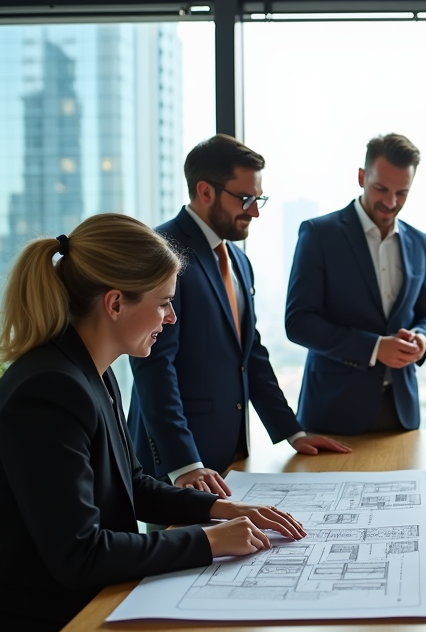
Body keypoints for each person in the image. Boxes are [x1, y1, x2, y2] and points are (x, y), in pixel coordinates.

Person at [0, 215, 305, 632]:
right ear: (115, 304)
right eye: (164, 303)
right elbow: (81, 553)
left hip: (72, 609)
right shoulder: (47, 392)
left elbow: (130, 483)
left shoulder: (92, 371)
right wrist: (211, 541)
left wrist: (220, 509)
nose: (172, 318)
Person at [128, 136, 349, 500]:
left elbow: (250, 356)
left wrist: (293, 432)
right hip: (178, 467)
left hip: (229, 457)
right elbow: (154, 366)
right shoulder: (162, 251)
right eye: (246, 199)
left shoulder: (239, 261)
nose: (255, 211)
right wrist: (184, 463)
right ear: (205, 191)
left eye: (258, 199)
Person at [286, 133, 426, 434]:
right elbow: (298, 322)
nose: (391, 202)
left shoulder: (420, 242)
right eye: (381, 188)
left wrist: (422, 339)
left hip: (402, 411)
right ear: (361, 177)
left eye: (402, 193)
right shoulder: (319, 234)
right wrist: (374, 348)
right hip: (333, 411)